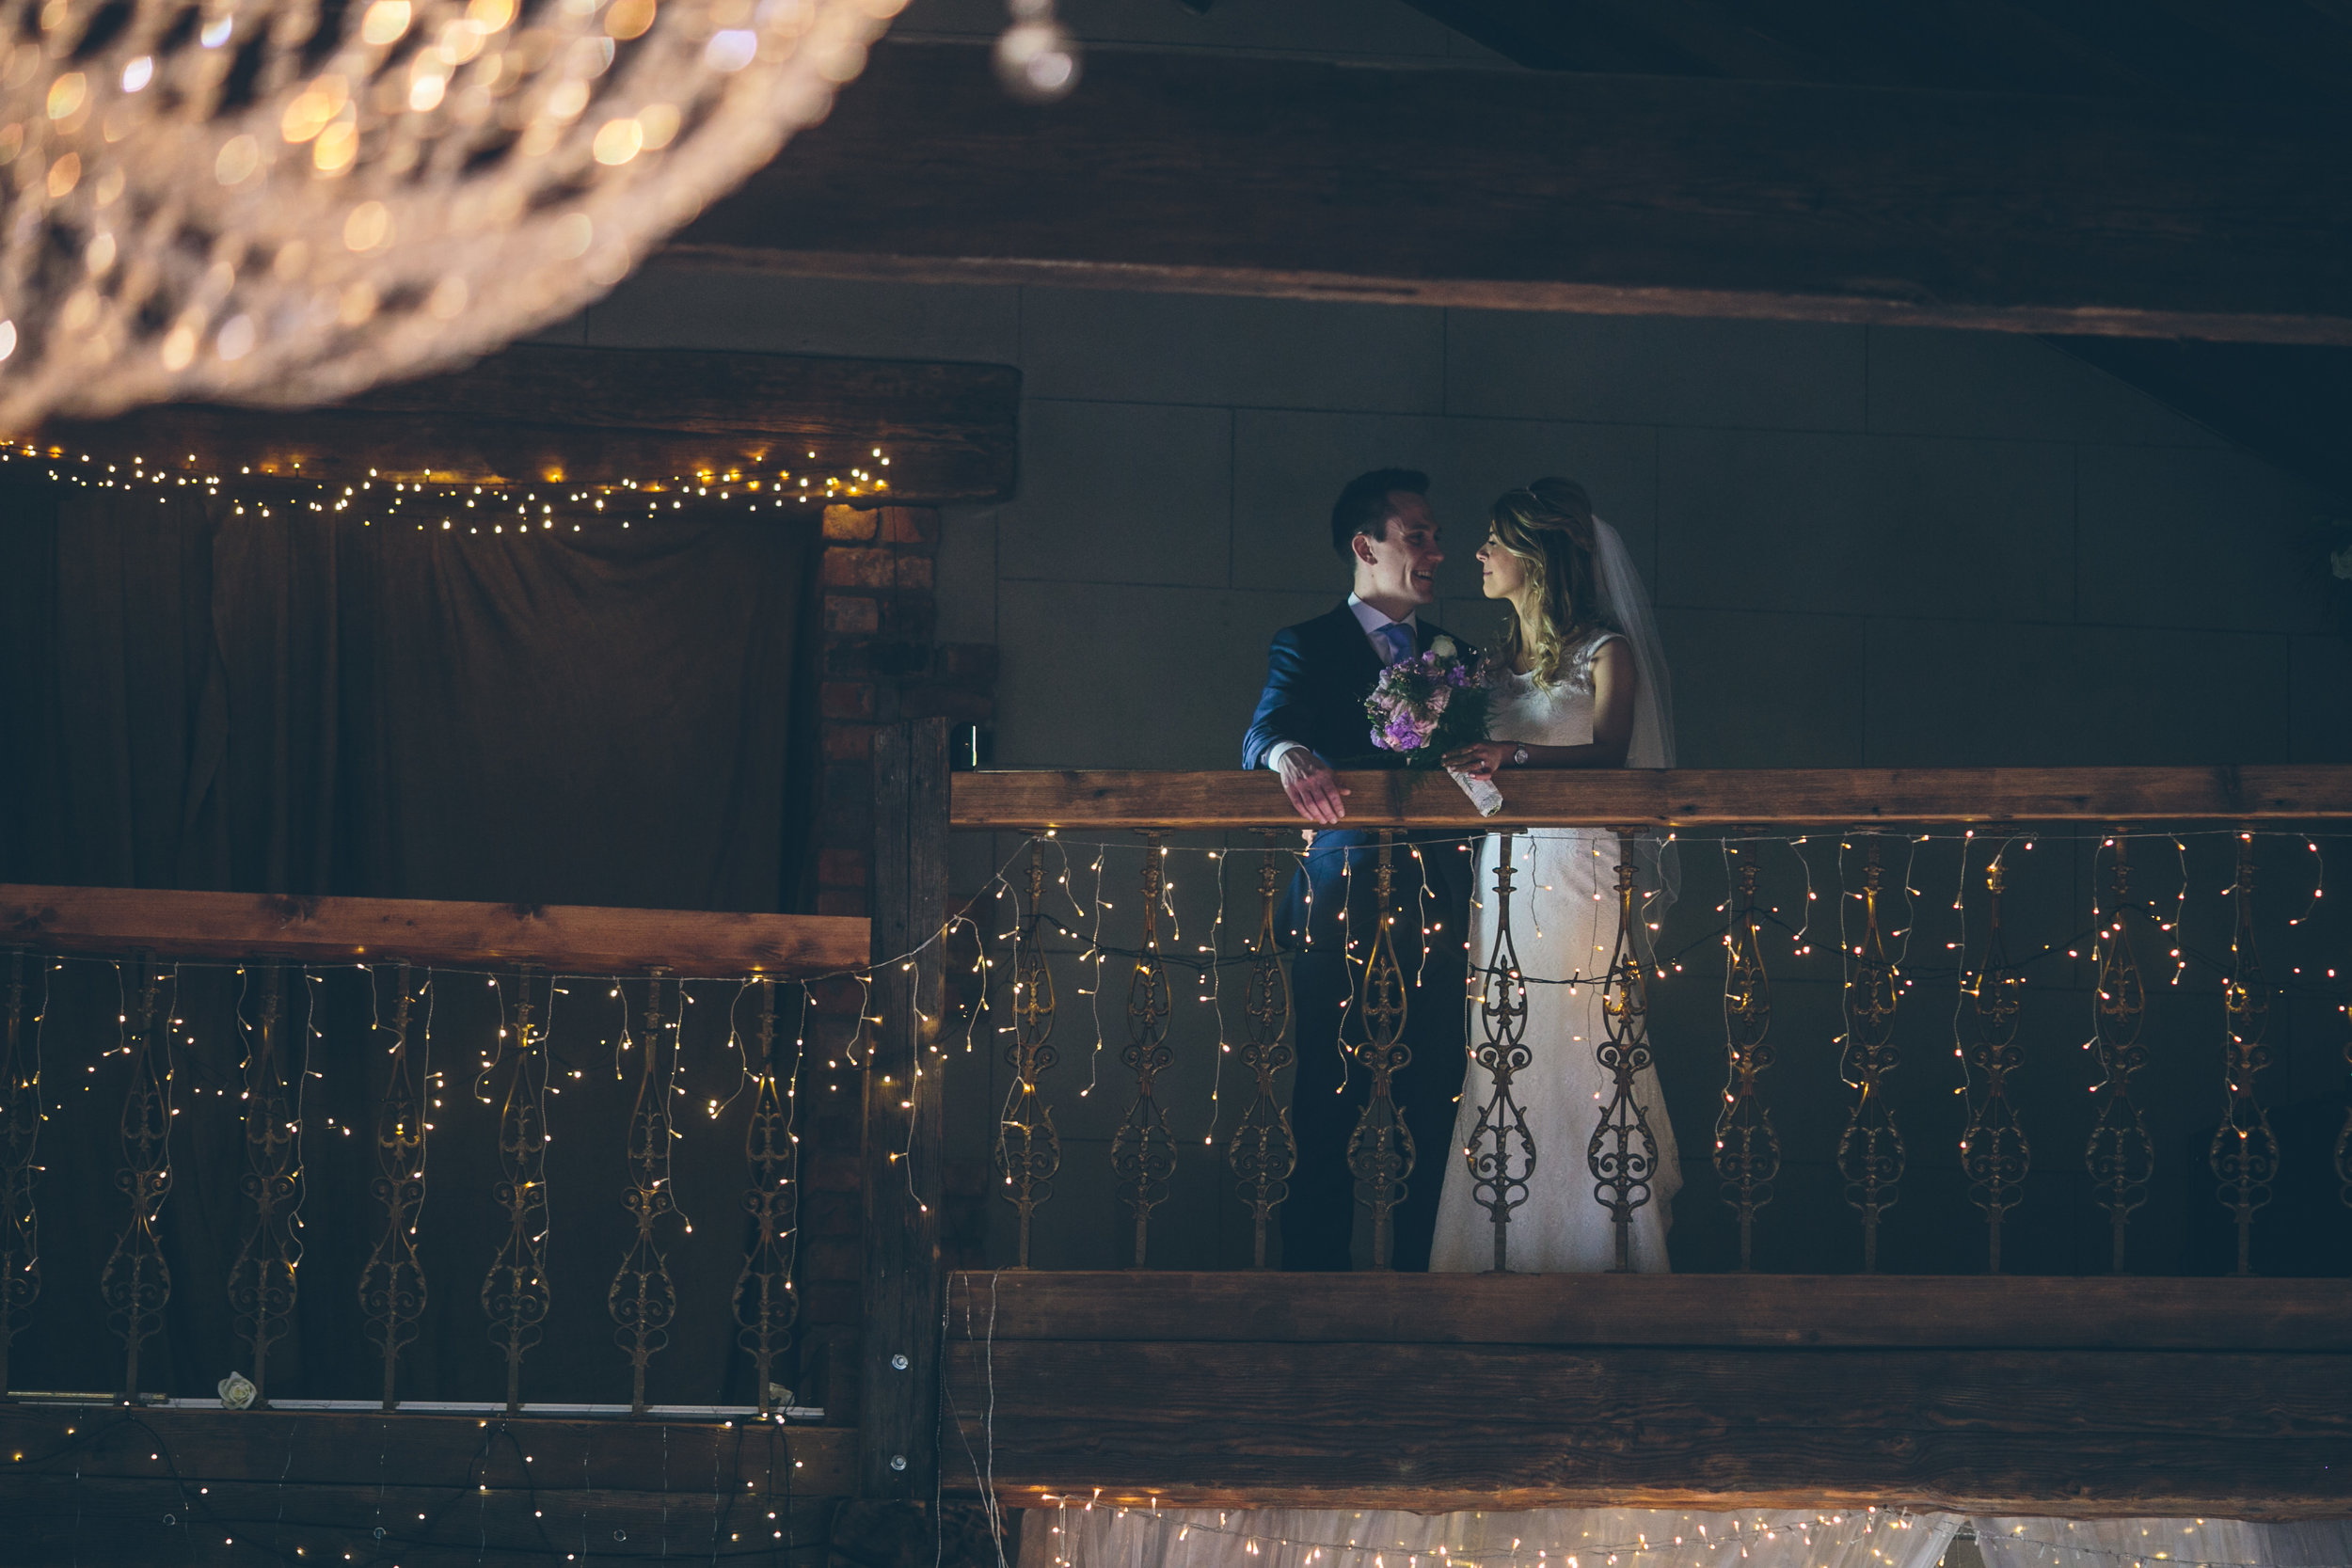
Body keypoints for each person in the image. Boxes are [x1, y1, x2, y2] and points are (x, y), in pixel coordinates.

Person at [1430, 478, 1682, 1273]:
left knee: (1577, 1043)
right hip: (1505, 865)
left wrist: (1520, 755)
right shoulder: (1491, 660)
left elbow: (1612, 755)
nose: (1478, 554)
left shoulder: (1606, 650)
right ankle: (1497, 1249)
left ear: (1535, 556)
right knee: (1502, 1047)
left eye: (1494, 542)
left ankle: (1600, 1248)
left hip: (1577, 867)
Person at [1242, 468, 1473, 1272]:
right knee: (1327, 1096)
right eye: (1420, 535)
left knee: (1438, 1095)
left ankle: (1423, 1282)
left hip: (1444, 902)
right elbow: (1263, 730)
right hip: (1339, 901)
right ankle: (1312, 1291)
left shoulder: (1460, 658)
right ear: (1365, 545)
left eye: (1437, 535)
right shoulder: (1306, 642)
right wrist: (1287, 753)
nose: (1437, 551)